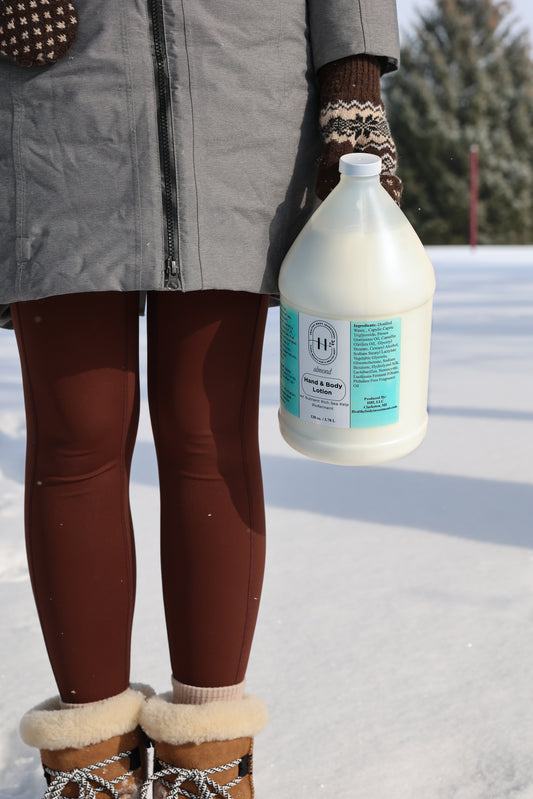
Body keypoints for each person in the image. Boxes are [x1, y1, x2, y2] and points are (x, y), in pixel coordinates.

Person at [0, 1, 401, 796]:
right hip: (58, 106)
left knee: (207, 433)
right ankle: (89, 765)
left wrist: (353, 86)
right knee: (77, 436)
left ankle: (208, 762)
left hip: (238, 95)